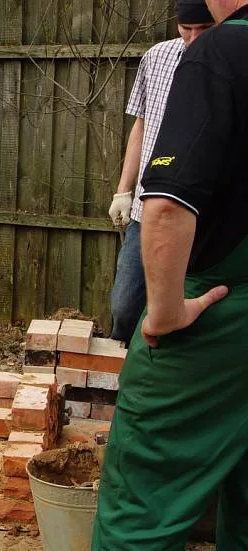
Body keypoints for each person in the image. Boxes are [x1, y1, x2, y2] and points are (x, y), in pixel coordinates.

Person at [93, 0, 248, 548]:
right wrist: (123, 188)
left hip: (216, 293)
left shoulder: (223, 51)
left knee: (144, 500)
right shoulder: (166, 58)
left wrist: (165, 314)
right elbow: (142, 128)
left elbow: (168, 207)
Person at [108, 0, 214, 345]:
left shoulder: (229, 62)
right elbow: (141, 124)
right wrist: (123, 191)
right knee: (125, 307)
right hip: (145, 212)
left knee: (188, 317)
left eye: (204, 30)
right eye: (187, 30)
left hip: (203, 218)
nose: (194, 39)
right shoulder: (156, 58)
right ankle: (120, 376)